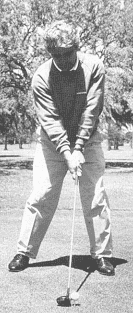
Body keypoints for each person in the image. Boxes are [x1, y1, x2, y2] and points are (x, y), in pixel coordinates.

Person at [8, 20, 114, 276]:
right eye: (57, 55)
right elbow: (51, 120)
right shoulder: (41, 77)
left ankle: (102, 255)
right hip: (51, 143)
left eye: (68, 53)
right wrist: (67, 152)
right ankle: (25, 251)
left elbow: (92, 109)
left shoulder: (93, 67)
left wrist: (78, 148)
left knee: (95, 197)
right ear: (50, 53)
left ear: (76, 47)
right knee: (42, 195)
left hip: (88, 141)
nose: (64, 60)